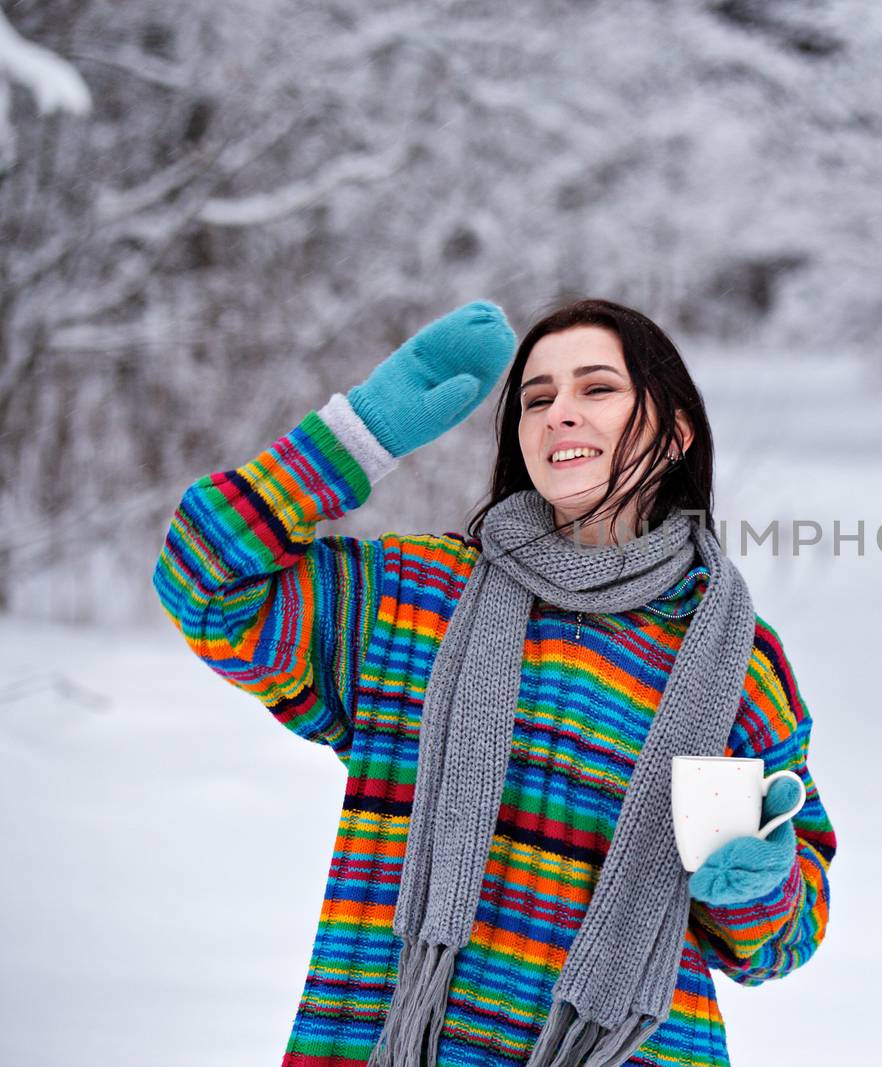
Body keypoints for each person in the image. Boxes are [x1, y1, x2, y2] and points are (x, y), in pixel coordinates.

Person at [151, 297, 837, 1067]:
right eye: (537, 398)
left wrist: (757, 888)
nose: (560, 414)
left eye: (596, 389)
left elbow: (780, 941)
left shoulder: (736, 662)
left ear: (676, 433)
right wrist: (360, 433)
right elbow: (206, 585)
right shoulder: (416, 601)